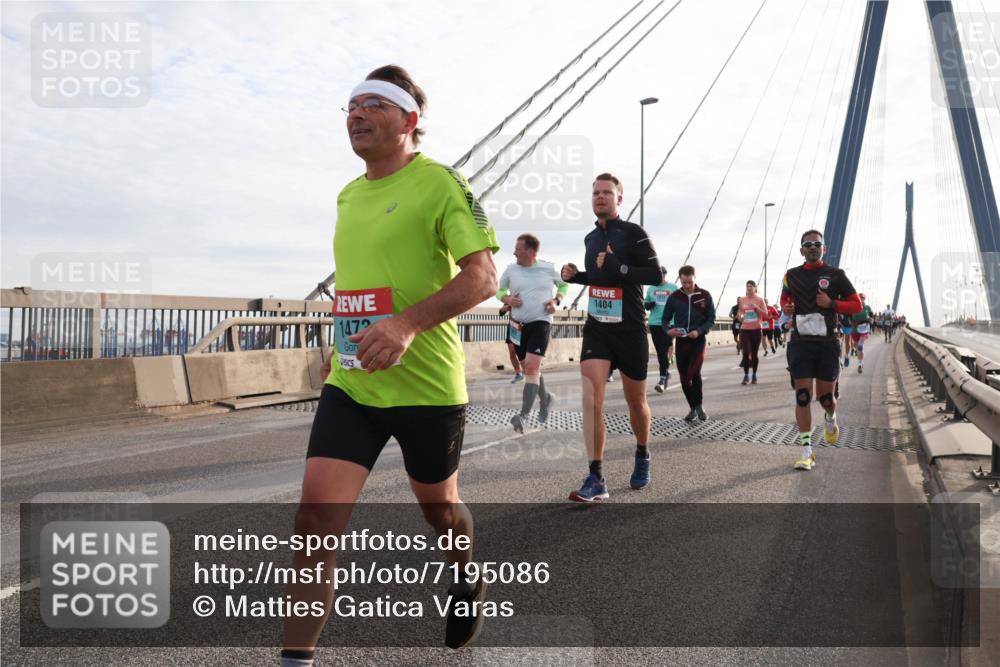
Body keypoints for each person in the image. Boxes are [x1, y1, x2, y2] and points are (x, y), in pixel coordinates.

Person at [281, 65, 499, 666]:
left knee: (440, 509)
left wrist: (406, 325)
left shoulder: (443, 185)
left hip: (427, 387)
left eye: (374, 104)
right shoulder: (348, 194)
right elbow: (362, 284)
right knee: (314, 522)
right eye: (350, 106)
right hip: (353, 382)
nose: (356, 114)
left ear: (409, 120)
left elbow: (483, 277)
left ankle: (463, 576)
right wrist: (344, 338)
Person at [561, 173, 662, 500]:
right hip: (598, 330)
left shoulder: (634, 234)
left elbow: (656, 275)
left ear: (620, 198)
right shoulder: (591, 238)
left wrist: (620, 267)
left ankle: (643, 452)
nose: (600, 197)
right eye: (596, 192)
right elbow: (600, 276)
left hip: (631, 329)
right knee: (591, 401)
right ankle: (596, 478)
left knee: (637, 402)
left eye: (607, 192)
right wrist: (578, 277)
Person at [780, 230, 862, 471]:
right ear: (801, 250)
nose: (813, 247)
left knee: (825, 399)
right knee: (802, 396)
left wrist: (832, 304)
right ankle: (806, 451)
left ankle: (830, 417)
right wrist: (788, 306)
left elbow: (857, 305)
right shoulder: (790, 275)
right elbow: (784, 301)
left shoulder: (836, 275)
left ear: (824, 248)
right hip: (800, 343)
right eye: (808, 244)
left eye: (817, 244)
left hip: (827, 344)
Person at [497, 233, 568, 432]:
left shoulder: (548, 267)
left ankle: (524, 415)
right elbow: (499, 290)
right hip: (518, 326)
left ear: (530, 252)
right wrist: (508, 299)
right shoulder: (511, 269)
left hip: (541, 322)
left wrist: (556, 301)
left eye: (517, 249)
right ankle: (545, 400)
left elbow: (563, 284)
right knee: (530, 369)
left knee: (531, 366)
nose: (513, 252)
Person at [662, 265, 716, 421]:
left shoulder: (705, 295)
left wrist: (699, 331)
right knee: (684, 376)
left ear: (695, 278)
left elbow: (711, 319)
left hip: (698, 339)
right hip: (681, 341)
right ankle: (693, 407)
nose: (687, 285)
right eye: (684, 282)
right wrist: (669, 330)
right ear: (680, 279)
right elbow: (665, 320)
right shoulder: (674, 297)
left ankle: (699, 406)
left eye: (690, 282)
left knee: (694, 372)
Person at [645, 266, 678, 393]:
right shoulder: (651, 288)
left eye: (659, 275)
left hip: (669, 323)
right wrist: (648, 305)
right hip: (654, 323)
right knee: (660, 352)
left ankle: (662, 380)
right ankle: (665, 373)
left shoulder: (672, 288)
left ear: (664, 275)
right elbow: (645, 303)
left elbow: (679, 304)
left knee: (664, 350)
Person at [736, 280, 769, 384]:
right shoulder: (742, 299)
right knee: (746, 353)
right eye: (747, 286)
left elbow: (766, 314)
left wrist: (757, 308)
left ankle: (754, 375)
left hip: (756, 329)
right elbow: (740, 312)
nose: (749, 288)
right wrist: (740, 317)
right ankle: (746, 376)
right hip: (745, 329)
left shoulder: (760, 300)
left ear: (755, 288)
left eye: (751, 286)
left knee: (754, 354)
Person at [499, 302, 524, 383]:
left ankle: (530, 373)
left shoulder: (527, 294)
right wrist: (507, 306)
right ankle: (519, 374)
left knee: (524, 353)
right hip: (512, 327)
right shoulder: (509, 298)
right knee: (512, 352)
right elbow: (501, 312)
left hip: (525, 327)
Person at [850, 293, 874, 374]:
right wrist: (852, 323)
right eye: (860, 298)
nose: (861, 299)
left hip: (864, 329)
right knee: (858, 348)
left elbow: (872, 317)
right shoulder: (853, 307)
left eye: (862, 298)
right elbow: (849, 318)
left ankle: (860, 365)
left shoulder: (867, 308)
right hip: (855, 330)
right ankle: (861, 362)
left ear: (864, 299)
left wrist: (870, 320)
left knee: (860, 345)